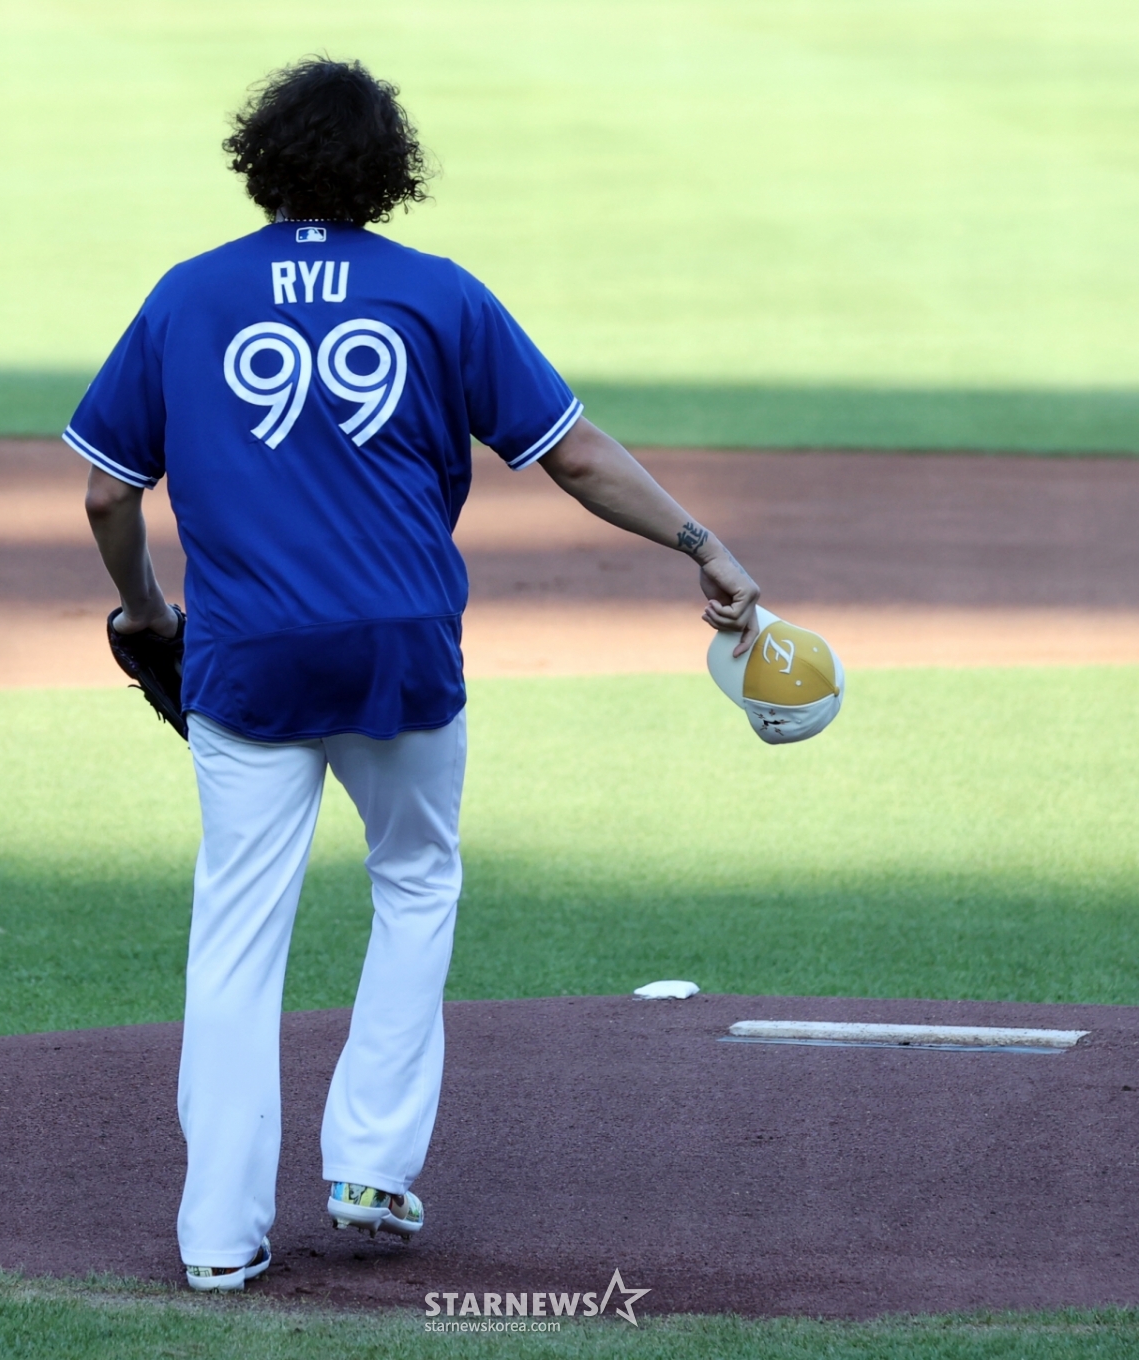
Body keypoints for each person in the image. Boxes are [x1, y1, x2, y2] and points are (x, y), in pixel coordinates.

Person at [72, 57, 760, 1291]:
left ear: (260, 160)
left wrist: (148, 613)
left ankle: (218, 1239)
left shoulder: (187, 295)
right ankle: (372, 1164)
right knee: (415, 878)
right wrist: (700, 544)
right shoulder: (440, 294)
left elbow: (106, 493)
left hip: (247, 661)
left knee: (238, 932)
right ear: (390, 172)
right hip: (402, 649)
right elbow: (573, 455)